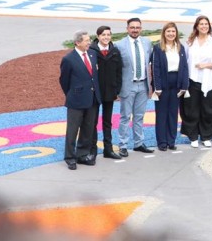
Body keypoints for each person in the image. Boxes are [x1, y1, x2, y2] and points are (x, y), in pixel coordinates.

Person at [60, 30, 101, 170]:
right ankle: (70, 157)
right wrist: (72, 93)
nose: (89, 42)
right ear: (78, 42)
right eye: (86, 40)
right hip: (76, 100)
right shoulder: (68, 59)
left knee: (88, 128)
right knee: (72, 130)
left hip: (92, 98)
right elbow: (64, 81)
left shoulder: (92, 54)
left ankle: (82, 154)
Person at [180, 15, 212, 148]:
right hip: (193, 80)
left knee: (208, 110)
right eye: (201, 24)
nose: (204, 26)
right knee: (191, 110)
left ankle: (206, 136)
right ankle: (193, 136)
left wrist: (205, 65)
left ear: (209, 26)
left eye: (206, 24)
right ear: (197, 26)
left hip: (210, 81)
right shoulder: (190, 43)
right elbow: (185, 61)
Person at [116, 18, 154, 157]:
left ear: (141, 28)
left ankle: (138, 143)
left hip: (143, 85)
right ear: (127, 29)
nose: (135, 30)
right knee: (125, 116)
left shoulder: (147, 42)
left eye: (137, 27)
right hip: (128, 85)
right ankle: (123, 145)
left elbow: (149, 61)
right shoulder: (119, 45)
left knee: (139, 116)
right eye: (132, 27)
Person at [151, 22, 189, 151]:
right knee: (162, 114)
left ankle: (171, 140)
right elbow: (155, 68)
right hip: (163, 82)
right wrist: (157, 87)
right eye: (168, 31)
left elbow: (184, 67)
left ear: (176, 33)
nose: (171, 34)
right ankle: (162, 142)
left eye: (173, 31)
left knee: (173, 113)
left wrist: (184, 85)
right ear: (164, 33)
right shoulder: (158, 48)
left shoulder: (180, 47)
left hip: (176, 83)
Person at [93, 25, 123, 160]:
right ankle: (91, 149)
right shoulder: (92, 51)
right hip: (94, 93)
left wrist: (116, 89)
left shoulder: (115, 51)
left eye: (108, 35)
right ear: (98, 36)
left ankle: (108, 149)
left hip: (110, 92)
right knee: (92, 122)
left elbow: (119, 72)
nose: (106, 37)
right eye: (103, 35)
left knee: (107, 122)